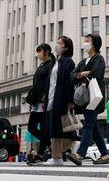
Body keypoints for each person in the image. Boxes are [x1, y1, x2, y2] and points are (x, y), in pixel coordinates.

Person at [67, 34, 109, 166]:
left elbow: (96, 74)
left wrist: (82, 74)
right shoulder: (83, 61)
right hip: (86, 99)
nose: (85, 42)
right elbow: (72, 76)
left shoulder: (99, 59)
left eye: (88, 40)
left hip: (94, 98)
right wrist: (82, 74)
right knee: (93, 128)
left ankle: (79, 154)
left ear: (94, 44)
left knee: (88, 125)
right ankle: (105, 155)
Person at [44, 36, 76, 166]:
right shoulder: (55, 62)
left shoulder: (68, 62)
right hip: (52, 98)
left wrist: (70, 100)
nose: (56, 45)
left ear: (66, 47)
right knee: (57, 128)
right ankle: (61, 153)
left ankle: (57, 157)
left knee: (58, 128)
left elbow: (69, 83)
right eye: (56, 42)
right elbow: (51, 82)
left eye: (59, 43)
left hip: (61, 99)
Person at [26, 44, 55, 165]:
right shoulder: (42, 65)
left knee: (44, 129)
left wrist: (45, 95)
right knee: (31, 127)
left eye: (40, 51)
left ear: (46, 52)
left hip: (43, 100)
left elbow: (50, 82)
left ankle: (40, 154)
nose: (38, 54)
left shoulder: (50, 65)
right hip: (36, 101)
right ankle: (50, 144)